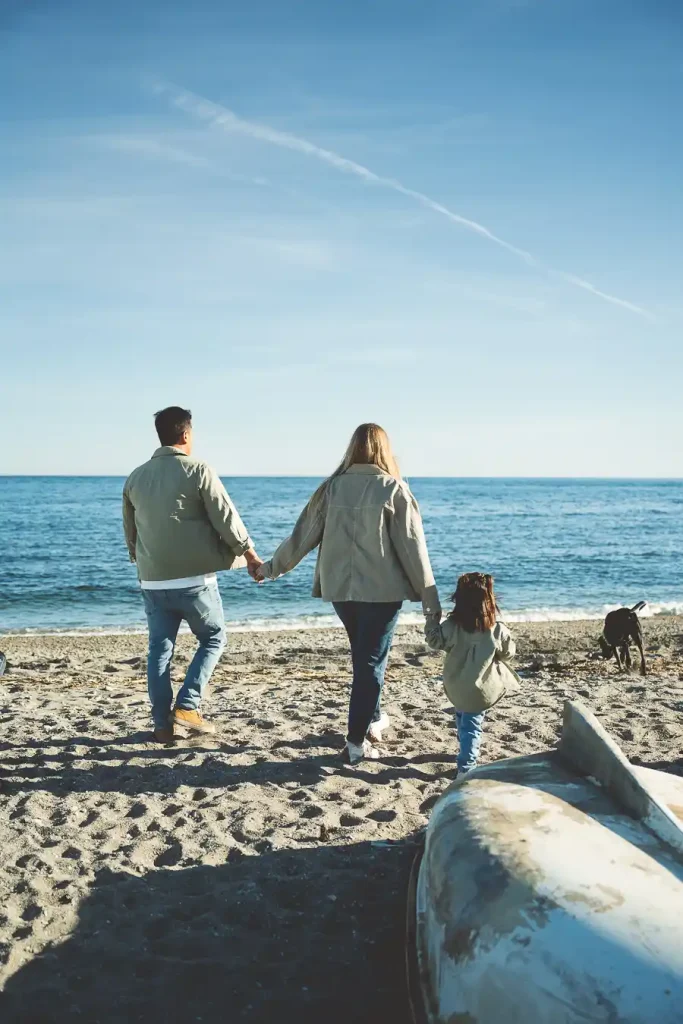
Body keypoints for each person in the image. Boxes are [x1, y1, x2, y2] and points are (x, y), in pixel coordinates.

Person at [256, 423, 441, 764]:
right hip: (382, 592)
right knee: (370, 661)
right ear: (384, 450)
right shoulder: (393, 490)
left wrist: (270, 568)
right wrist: (431, 601)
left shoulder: (331, 489)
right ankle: (356, 743)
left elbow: (302, 537)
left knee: (366, 657)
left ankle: (372, 718)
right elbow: (414, 550)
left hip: (341, 590)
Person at [123, 407, 262, 743]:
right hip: (194, 582)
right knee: (214, 637)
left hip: (152, 580)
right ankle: (188, 704)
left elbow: (132, 534)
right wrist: (250, 555)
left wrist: (144, 564)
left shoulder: (135, 477)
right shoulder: (199, 470)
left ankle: (161, 725)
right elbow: (226, 517)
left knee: (159, 651)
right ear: (185, 435)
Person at [424, 572, 517, 776]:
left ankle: (464, 749)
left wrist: (432, 619)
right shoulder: (497, 630)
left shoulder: (451, 627)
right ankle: (466, 768)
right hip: (481, 689)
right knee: (472, 726)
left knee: (462, 716)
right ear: (490, 602)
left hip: (456, 684)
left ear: (459, 600)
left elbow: (434, 641)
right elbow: (509, 654)